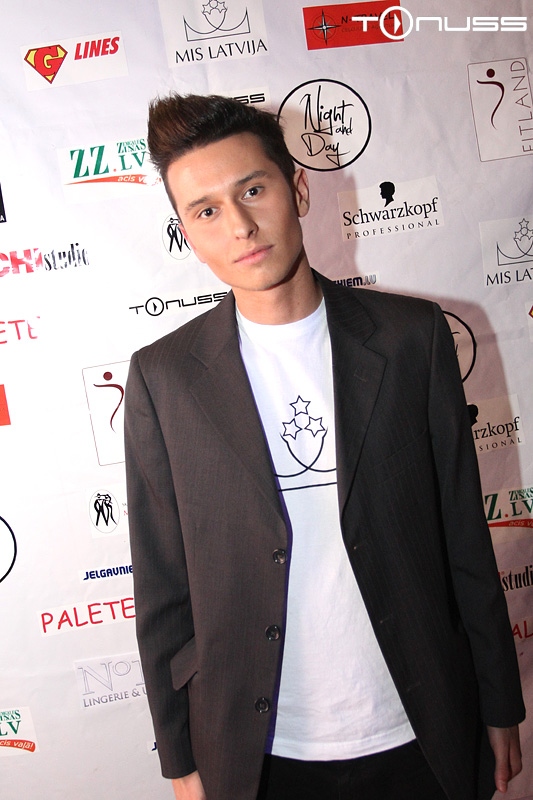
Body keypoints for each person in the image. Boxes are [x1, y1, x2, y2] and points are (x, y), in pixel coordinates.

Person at [124, 93, 525, 800]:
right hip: (259, 753)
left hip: (420, 726)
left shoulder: (412, 338)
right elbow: (163, 587)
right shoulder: (164, 378)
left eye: (253, 190)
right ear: (186, 232)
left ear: (298, 189)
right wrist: (180, 760)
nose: (240, 226)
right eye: (206, 211)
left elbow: (464, 537)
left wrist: (499, 704)